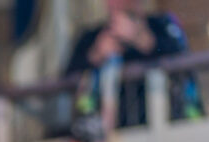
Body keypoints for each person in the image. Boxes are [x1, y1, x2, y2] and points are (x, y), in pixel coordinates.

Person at [64, 0, 197, 127]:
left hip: (169, 122)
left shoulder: (162, 24)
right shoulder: (91, 37)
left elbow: (183, 59)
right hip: (107, 130)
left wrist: (144, 41)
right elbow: (67, 77)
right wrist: (97, 54)